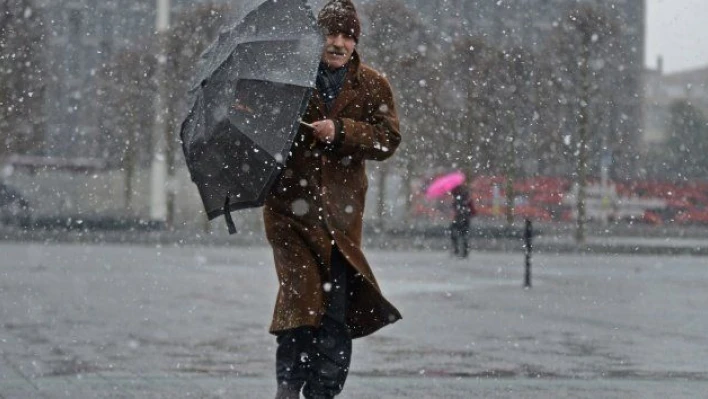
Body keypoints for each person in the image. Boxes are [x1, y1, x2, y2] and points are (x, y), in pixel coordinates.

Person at [262, 1, 402, 398]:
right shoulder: (287, 80)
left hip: (341, 220)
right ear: (317, 37)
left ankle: (323, 390)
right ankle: (289, 386)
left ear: (356, 41)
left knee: (335, 314)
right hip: (289, 213)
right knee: (299, 304)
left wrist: (340, 131)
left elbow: (388, 139)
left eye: (348, 36)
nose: (339, 44)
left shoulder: (373, 85)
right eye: (331, 35)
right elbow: (262, 132)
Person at [450, 185, 475, 258]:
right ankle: (463, 251)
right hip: (464, 219)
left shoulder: (460, 199)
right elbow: (473, 212)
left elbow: (472, 211)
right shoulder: (466, 198)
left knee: (457, 234)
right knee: (463, 235)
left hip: (460, 219)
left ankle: (458, 250)